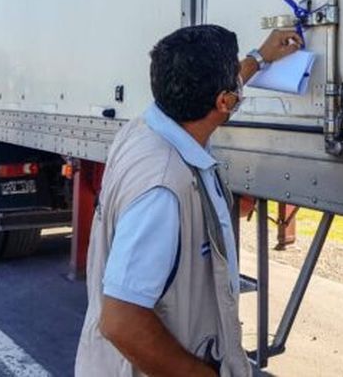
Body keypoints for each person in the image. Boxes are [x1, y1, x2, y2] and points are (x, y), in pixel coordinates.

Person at [75, 26, 302, 376]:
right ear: (224, 103)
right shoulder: (163, 190)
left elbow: (215, 94)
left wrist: (259, 58)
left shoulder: (147, 127)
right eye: (232, 93)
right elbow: (121, 321)